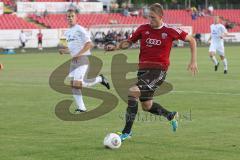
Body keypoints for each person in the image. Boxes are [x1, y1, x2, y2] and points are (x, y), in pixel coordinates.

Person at [106, 3, 198, 141]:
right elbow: (129, 42)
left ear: (161, 17)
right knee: (147, 106)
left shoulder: (170, 30)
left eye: (153, 17)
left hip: (158, 70)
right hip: (143, 71)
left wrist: (193, 61)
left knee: (133, 92)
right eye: (149, 17)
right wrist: (116, 47)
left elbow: (191, 40)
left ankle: (127, 132)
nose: (150, 20)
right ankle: (170, 115)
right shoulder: (143, 29)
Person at [58, 8, 110, 112]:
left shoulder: (80, 29)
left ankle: (100, 79)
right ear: (66, 18)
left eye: (72, 16)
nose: (70, 18)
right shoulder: (67, 32)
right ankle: (81, 108)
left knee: (78, 84)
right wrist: (64, 51)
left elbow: (89, 44)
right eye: (68, 16)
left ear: (76, 17)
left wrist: (78, 54)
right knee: (74, 85)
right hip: (74, 60)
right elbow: (72, 49)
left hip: (82, 58)